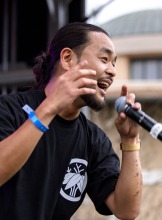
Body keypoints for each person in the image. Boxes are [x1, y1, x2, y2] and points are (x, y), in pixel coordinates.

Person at [0, 22, 142, 220]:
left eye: (114, 63)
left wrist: (130, 141)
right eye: (104, 59)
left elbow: (126, 210)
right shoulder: (7, 109)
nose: (112, 71)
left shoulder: (93, 139)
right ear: (67, 58)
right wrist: (49, 108)